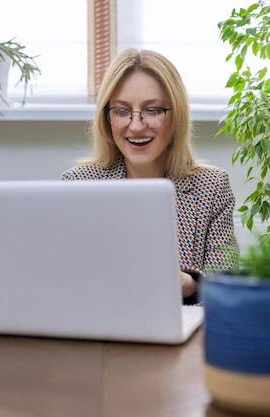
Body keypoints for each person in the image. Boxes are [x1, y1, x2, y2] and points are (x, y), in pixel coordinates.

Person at [61, 49, 238, 304]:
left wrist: (189, 284)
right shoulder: (78, 184)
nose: (135, 126)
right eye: (121, 111)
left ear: (175, 116)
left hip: (178, 335)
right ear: (107, 119)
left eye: (152, 110)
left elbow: (227, 287)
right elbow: (63, 281)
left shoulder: (211, 187)